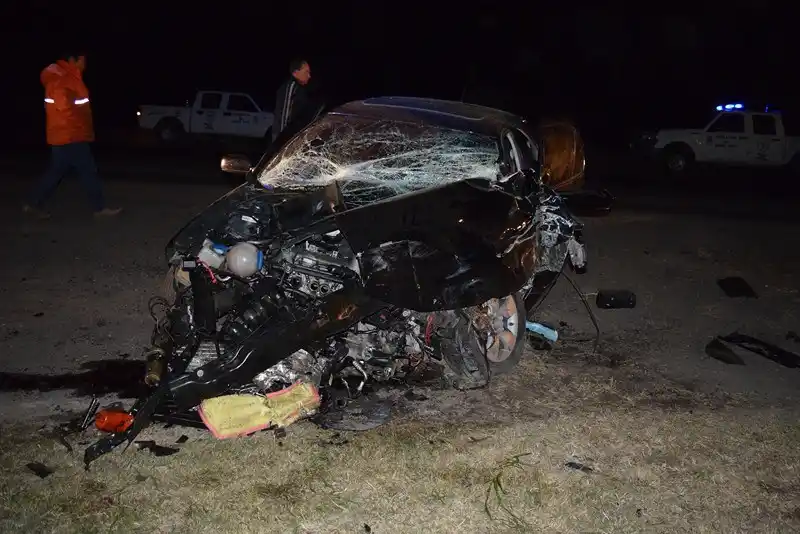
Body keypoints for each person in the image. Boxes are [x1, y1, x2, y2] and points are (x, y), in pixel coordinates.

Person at [24, 51, 122, 219]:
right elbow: (65, 108)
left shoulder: (67, 77)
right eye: (82, 61)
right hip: (71, 136)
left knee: (57, 171)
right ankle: (100, 209)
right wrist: (79, 128)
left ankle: (33, 203)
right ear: (72, 60)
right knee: (88, 170)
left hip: (65, 135)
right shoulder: (64, 79)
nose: (84, 64)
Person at [272, 58, 313, 143]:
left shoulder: (300, 90)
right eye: (306, 72)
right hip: (285, 140)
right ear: (295, 73)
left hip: (294, 138)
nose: (309, 76)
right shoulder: (291, 88)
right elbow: (284, 115)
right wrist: (282, 141)